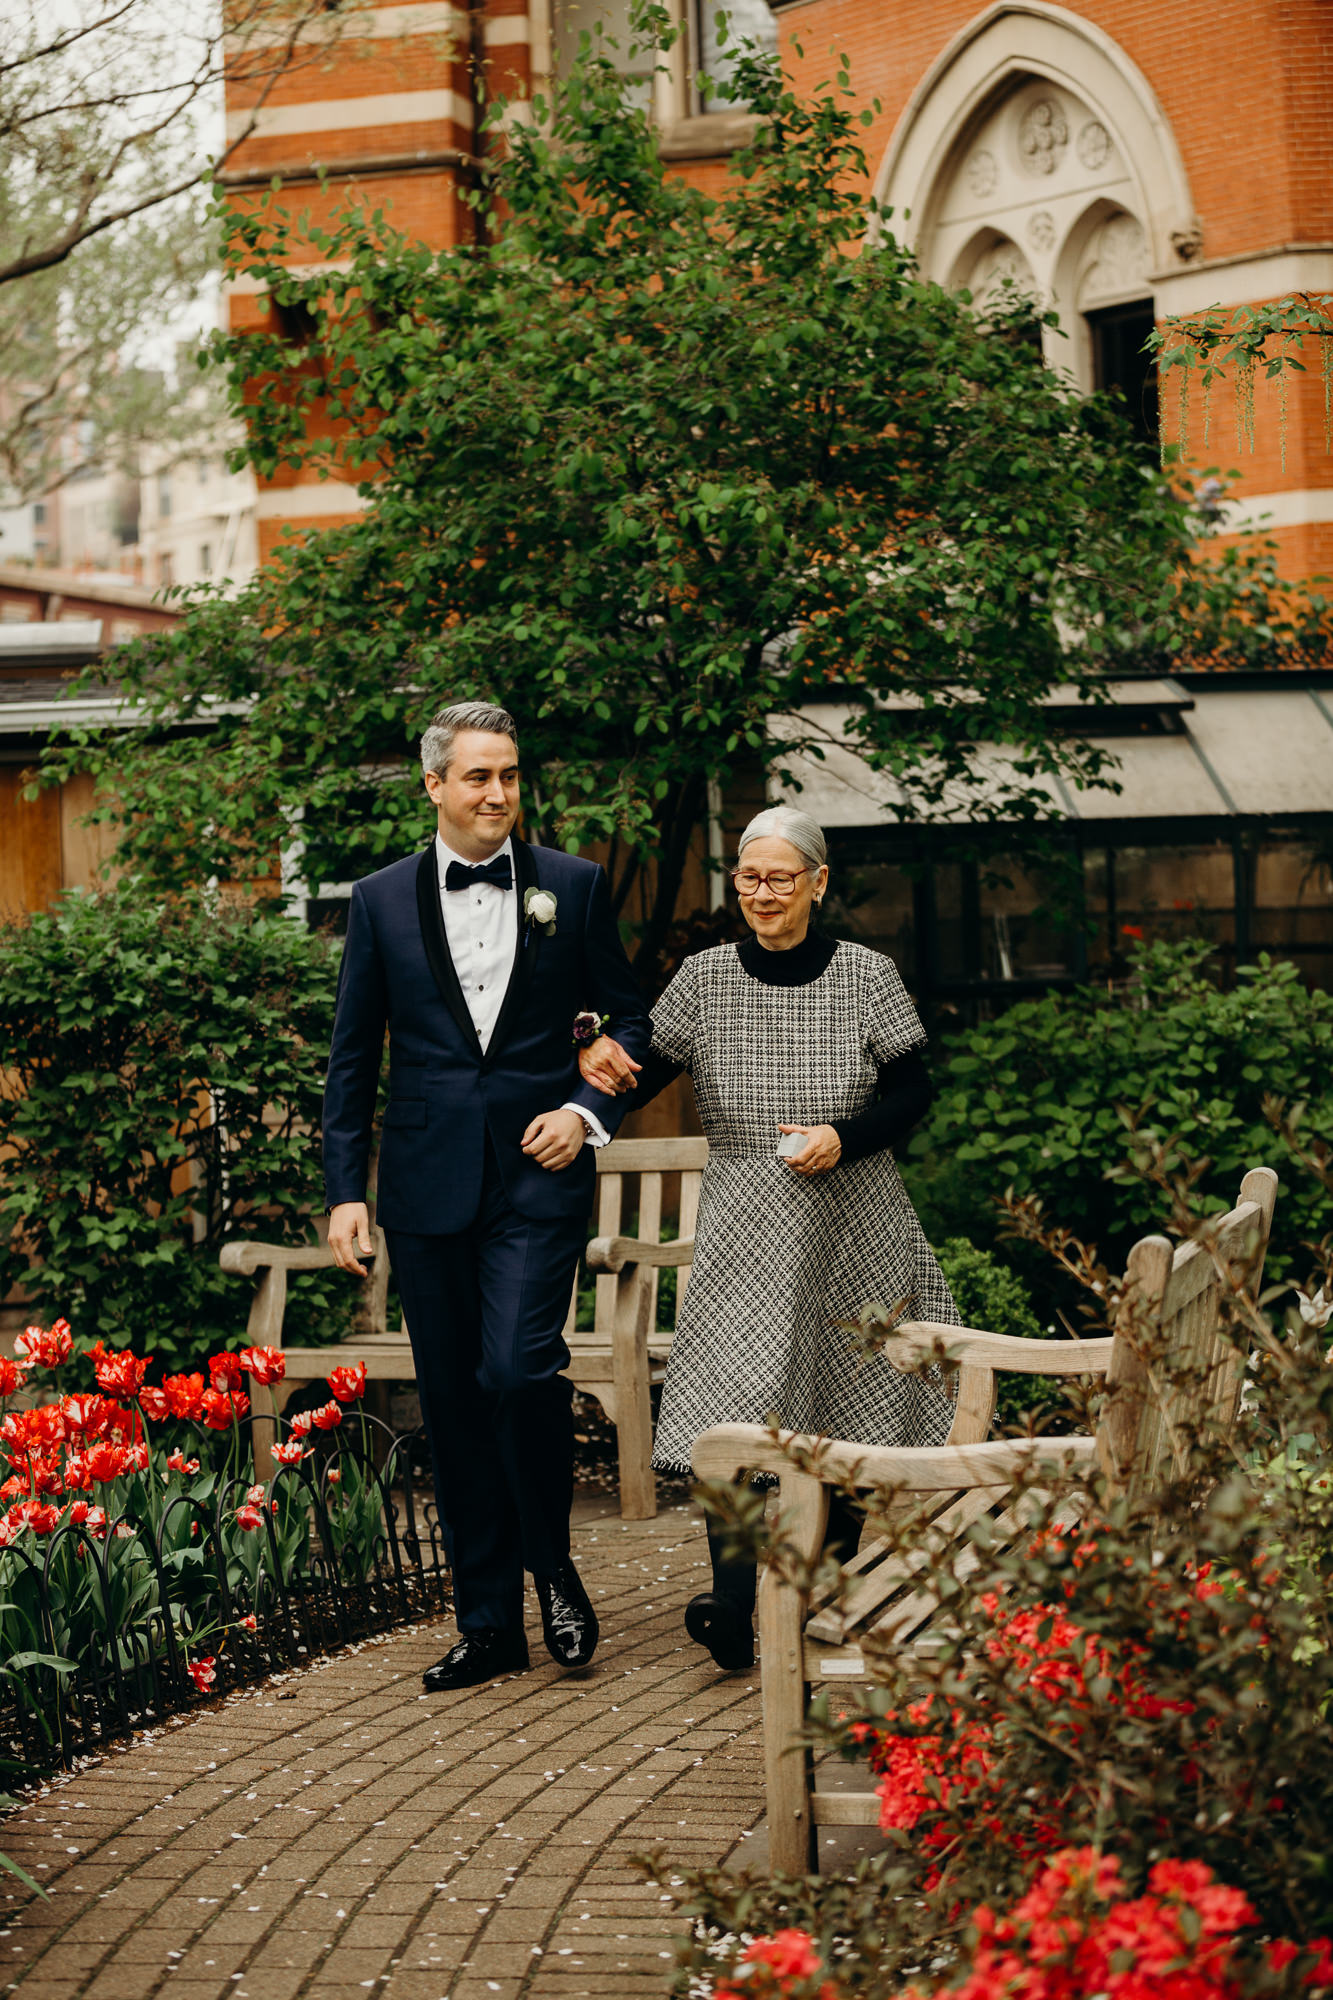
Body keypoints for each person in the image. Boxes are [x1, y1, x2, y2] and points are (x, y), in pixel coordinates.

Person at [577, 804, 959, 1672]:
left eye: (780, 878)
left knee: (852, 1394)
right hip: (745, 1216)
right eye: (748, 877)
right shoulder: (705, 977)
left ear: (817, 884)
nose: (761, 893)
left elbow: (911, 1094)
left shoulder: (864, 974)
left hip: (853, 1211)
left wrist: (843, 1136)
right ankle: (732, 1600)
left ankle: (822, 1579)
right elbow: (643, 1076)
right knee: (730, 1401)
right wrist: (592, 1069)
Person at [323, 701, 652, 1691]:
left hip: (536, 1173)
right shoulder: (378, 901)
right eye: (477, 776)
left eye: (508, 774)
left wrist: (588, 1107)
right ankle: (485, 1624)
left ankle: (549, 1561)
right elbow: (351, 1057)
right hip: (423, 1185)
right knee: (456, 1404)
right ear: (434, 785)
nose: (497, 793)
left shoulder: (574, 885)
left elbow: (631, 1014)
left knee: (516, 1370)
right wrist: (347, 1191)